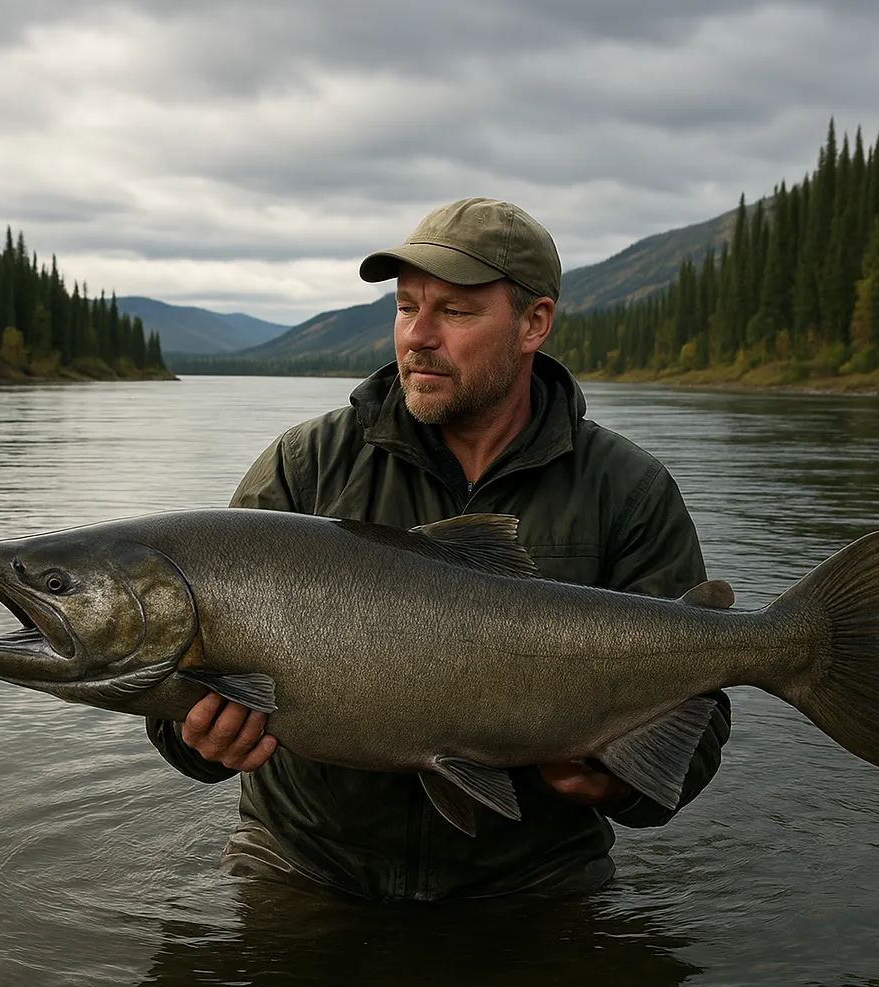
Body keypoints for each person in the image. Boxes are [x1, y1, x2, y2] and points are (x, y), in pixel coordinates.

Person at [147, 197, 731, 901]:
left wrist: (614, 781)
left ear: (533, 324)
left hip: (534, 880)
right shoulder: (306, 464)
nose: (417, 336)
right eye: (405, 307)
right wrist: (198, 742)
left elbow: (698, 710)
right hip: (302, 865)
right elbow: (175, 683)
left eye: (454, 312)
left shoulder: (627, 491)